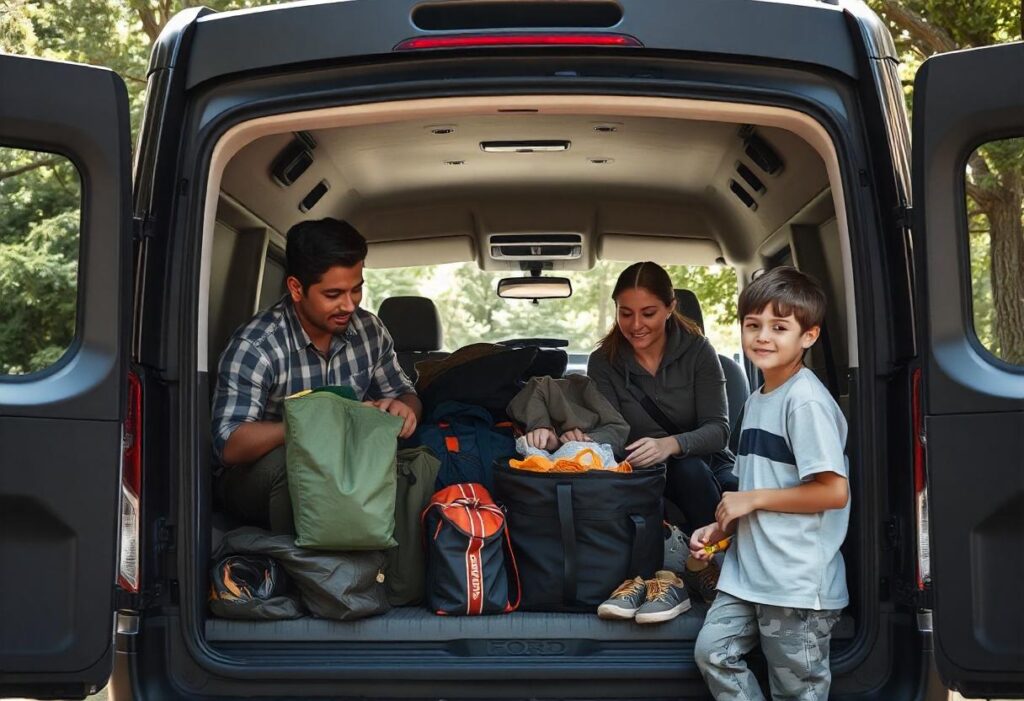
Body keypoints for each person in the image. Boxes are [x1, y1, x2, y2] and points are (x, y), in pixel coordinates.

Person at [691, 266, 849, 701]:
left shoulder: (805, 402)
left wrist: (751, 500)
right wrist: (720, 529)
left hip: (795, 582)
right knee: (713, 653)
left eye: (779, 327)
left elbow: (833, 492)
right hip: (748, 573)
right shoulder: (759, 399)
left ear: (809, 336)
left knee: (796, 691)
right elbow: (751, 489)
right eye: (752, 325)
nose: (762, 336)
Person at [211, 217, 422, 534]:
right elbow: (229, 445)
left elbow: (406, 394)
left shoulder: (370, 330)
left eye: (356, 290)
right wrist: (319, 421)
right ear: (296, 288)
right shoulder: (257, 347)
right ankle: (305, 570)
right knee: (298, 465)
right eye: (333, 294)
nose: (349, 305)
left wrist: (405, 409)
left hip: (348, 467)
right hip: (259, 477)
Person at [587, 261, 731, 530]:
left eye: (648, 313)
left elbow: (719, 430)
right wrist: (582, 438)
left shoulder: (698, 351)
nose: (636, 324)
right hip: (637, 469)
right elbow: (612, 431)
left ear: (670, 308)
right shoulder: (603, 362)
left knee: (694, 472)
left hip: (699, 464)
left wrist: (669, 445)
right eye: (626, 313)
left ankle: (715, 559)